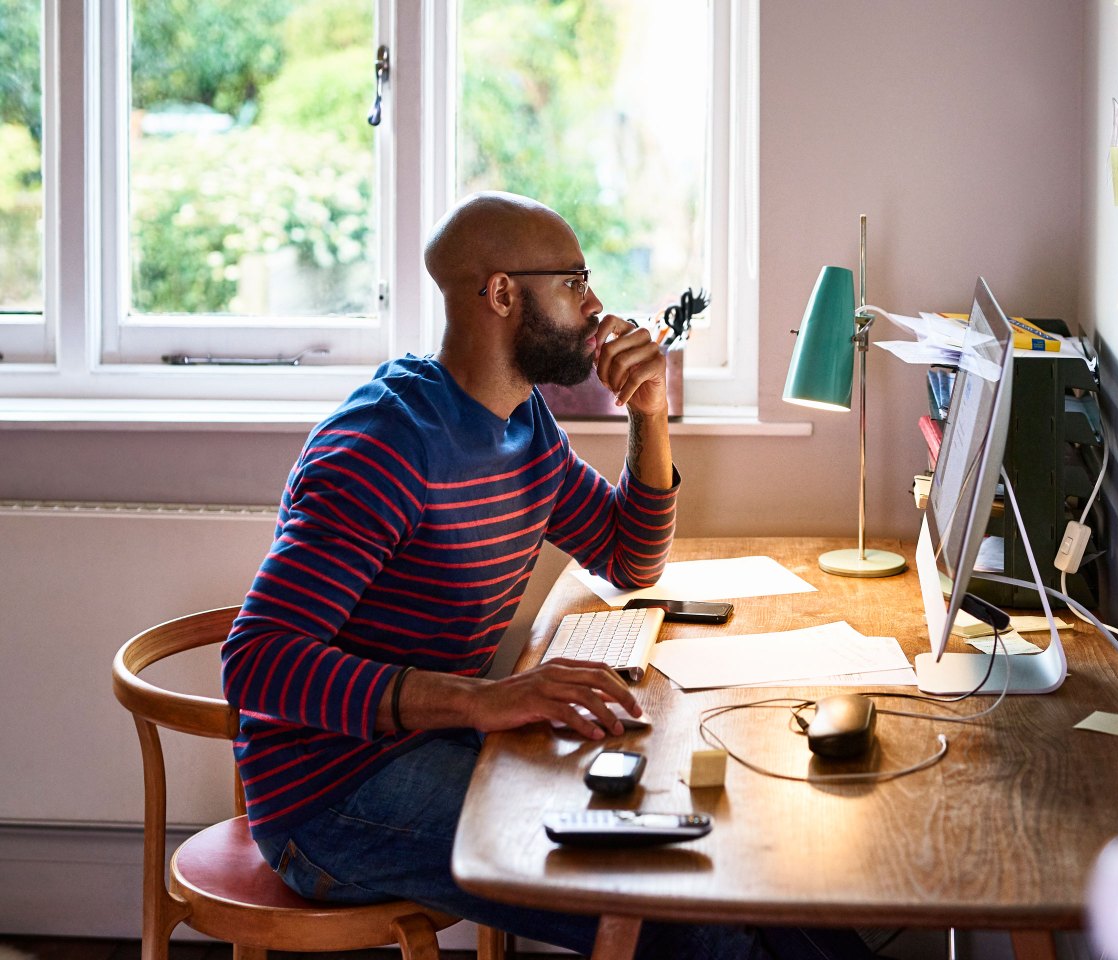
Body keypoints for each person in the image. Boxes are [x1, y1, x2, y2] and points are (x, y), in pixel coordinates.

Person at [220, 192, 875, 959]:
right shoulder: (384, 447)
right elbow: (255, 663)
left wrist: (650, 412)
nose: (596, 305)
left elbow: (629, 559)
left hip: (441, 744)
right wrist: (485, 699)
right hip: (332, 797)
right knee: (690, 914)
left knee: (741, 857)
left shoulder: (524, 424)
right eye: (574, 281)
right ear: (502, 294)